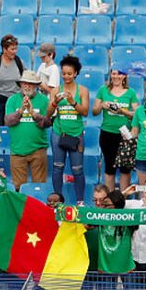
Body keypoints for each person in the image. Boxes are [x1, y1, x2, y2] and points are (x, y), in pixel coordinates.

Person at [47, 55, 90, 205]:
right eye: (64, 73)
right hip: (58, 133)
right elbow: (47, 114)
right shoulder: (55, 90)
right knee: (57, 167)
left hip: (76, 134)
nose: (66, 76)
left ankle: (80, 201)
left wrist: (73, 102)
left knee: (77, 169)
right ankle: (57, 200)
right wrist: (54, 103)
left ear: (76, 73)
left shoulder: (83, 90)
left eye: (69, 73)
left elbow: (85, 112)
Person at [92, 68, 138, 190]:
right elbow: (94, 111)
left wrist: (121, 111)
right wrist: (101, 106)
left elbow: (136, 114)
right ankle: (110, 199)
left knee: (125, 169)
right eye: (113, 73)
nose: (116, 76)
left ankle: (124, 199)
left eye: (119, 74)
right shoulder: (103, 90)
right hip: (107, 133)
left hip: (125, 134)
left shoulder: (131, 92)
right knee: (109, 167)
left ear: (124, 76)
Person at [4, 70, 51, 189]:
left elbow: (48, 123)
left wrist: (33, 114)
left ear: (36, 85)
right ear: (20, 84)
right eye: (24, 83)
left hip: (38, 150)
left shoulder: (44, 101)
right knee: (18, 187)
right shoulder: (12, 100)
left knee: (39, 186)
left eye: (30, 83)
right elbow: (8, 122)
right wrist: (20, 111)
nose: (27, 86)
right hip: (17, 150)